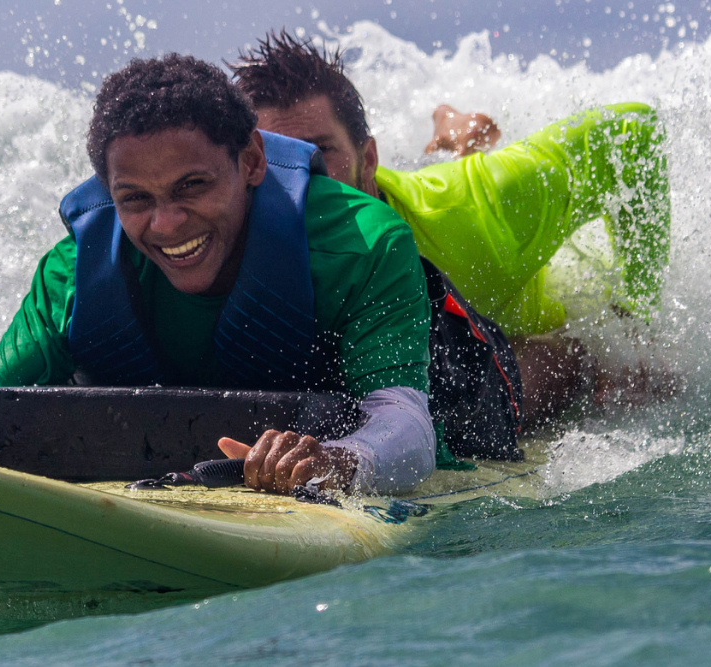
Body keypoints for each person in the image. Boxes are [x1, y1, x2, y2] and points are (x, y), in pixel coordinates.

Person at [0, 54, 518, 495]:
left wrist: (338, 462)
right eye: (135, 198)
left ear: (251, 161)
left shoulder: (363, 242)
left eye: (192, 185)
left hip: (445, 377)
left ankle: (458, 144)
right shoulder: (75, 274)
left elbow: (408, 425)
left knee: (538, 389)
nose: (166, 224)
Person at [231, 31, 673, 425]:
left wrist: (635, 328)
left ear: (368, 161)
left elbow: (631, 134)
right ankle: (456, 128)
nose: (302, 176)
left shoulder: (475, 212)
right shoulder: (227, 224)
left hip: (507, 316)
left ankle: (462, 131)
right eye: (279, 155)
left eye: (320, 151)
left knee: (487, 393)